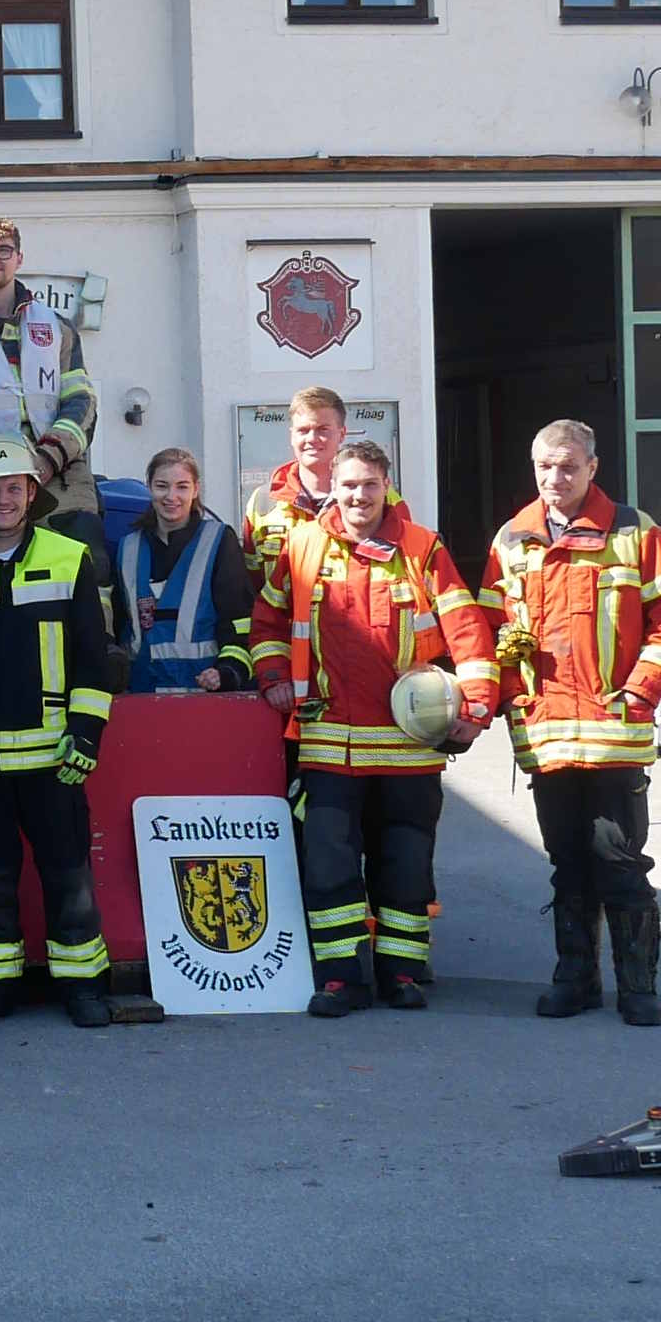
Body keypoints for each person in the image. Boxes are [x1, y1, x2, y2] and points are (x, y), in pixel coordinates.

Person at [249, 434, 496, 1016]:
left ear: (387, 487)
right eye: (348, 485)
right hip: (329, 740)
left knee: (406, 867)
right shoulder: (302, 546)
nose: (358, 495)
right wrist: (274, 677)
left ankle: (403, 974)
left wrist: (477, 706)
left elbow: (468, 632)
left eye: (369, 484)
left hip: (410, 747)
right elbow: (266, 621)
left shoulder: (423, 548)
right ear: (332, 488)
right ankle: (340, 979)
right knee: (329, 867)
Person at [0, 430, 121, 1030]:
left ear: (34, 494)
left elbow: (95, 659)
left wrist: (85, 737)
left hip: (56, 757)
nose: (4, 500)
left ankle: (84, 985)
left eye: (15, 488)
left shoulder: (69, 558)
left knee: (69, 877)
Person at [492, 419, 661, 1028]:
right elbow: (493, 626)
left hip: (612, 734)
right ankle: (574, 980)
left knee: (620, 862)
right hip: (547, 733)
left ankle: (638, 988)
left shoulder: (634, 532)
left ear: (593, 468)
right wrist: (509, 696)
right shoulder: (512, 538)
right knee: (566, 864)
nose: (557, 478)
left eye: (569, 466)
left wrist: (640, 692)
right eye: (547, 466)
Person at [0, 213, 100, 525]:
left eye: (3, 250)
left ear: (19, 258)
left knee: (86, 549)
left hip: (56, 469)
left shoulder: (57, 326)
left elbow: (81, 403)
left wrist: (50, 457)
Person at [112, 447, 253, 697]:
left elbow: (239, 620)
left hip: (204, 697)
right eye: (162, 486)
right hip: (141, 699)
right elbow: (120, 623)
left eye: (182, 486)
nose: (171, 496)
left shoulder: (219, 540)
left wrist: (228, 671)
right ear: (149, 487)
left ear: (196, 490)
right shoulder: (128, 547)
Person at [244, 385, 354, 555]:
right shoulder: (264, 500)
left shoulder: (374, 497)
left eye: (322, 429)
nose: (311, 439)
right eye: (303, 430)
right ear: (292, 436)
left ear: (342, 434)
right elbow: (250, 575)